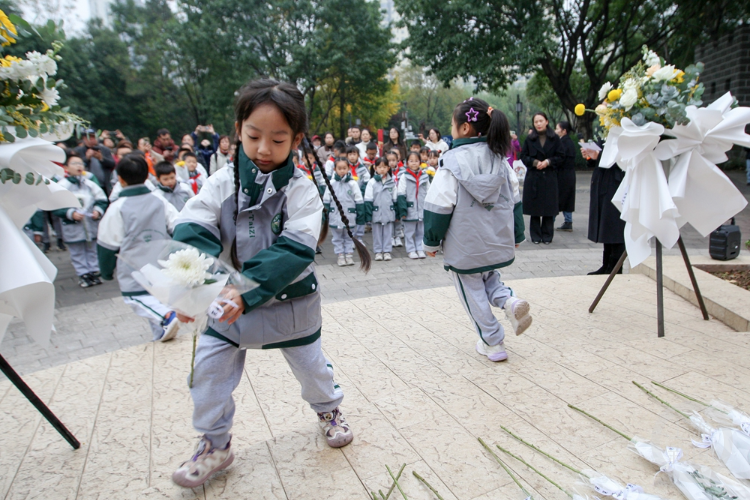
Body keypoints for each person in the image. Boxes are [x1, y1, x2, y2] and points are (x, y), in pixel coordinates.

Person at [170, 79, 362, 488]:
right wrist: (198, 283)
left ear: (296, 141)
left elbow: (296, 249)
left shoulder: (302, 191)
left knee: (312, 368)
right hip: (225, 299)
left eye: (277, 139)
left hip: (288, 302)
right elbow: (192, 225)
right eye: (254, 136)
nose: (263, 149)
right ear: (238, 128)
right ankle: (215, 442)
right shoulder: (221, 183)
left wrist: (245, 287)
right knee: (208, 372)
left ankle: (328, 409)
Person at [423, 98, 531, 362]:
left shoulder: (450, 163)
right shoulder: (501, 160)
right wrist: (517, 235)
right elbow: (515, 199)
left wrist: (431, 243)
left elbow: (438, 207)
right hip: (494, 242)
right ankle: (509, 302)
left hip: (465, 247)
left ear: (465, 129)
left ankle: (492, 341)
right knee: (490, 278)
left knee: (472, 292)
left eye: (452, 124)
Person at [97, 154, 181, 343]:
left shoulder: (118, 207)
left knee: (135, 298)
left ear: (120, 179)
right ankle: (160, 333)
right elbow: (178, 225)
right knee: (157, 297)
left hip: (133, 265)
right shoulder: (159, 200)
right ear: (147, 176)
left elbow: (107, 243)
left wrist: (106, 271)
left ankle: (166, 316)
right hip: (162, 260)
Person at [52, 153, 109, 287]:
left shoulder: (90, 183)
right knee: (77, 251)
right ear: (66, 167)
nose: (78, 166)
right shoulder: (62, 185)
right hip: (73, 225)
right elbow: (55, 206)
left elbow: (101, 199)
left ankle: (95, 272)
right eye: (74, 163)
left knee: (93, 248)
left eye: (80, 163)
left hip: (91, 223)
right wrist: (70, 213)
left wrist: (97, 211)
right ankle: (83, 273)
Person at [521, 112, 563, 244]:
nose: (538, 124)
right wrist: (534, 163)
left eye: (540, 121)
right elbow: (524, 156)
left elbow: (561, 156)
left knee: (548, 208)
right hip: (534, 177)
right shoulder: (530, 139)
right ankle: (535, 236)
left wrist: (548, 162)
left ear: (546, 121)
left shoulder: (554, 138)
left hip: (549, 177)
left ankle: (547, 236)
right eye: (536, 122)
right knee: (535, 208)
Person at [584, 144, 626, 275]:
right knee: (606, 223)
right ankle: (607, 264)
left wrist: (599, 155)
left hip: (616, 182)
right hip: (604, 179)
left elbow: (623, 157)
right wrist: (592, 157)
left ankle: (615, 268)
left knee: (615, 225)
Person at [325, 156, 365, 266]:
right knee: (337, 237)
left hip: (349, 215)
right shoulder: (331, 183)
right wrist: (326, 214)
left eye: (344, 168)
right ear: (335, 170)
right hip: (335, 215)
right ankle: (340, 255)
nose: (342, 170)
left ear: (348, 169)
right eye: (339, 168)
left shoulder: (353, 183)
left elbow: (358, 199)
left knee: (349, 236)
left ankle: (349, 255)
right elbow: (326, 199)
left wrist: (360, 214)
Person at [398, 151, 430, 259]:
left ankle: (420, 248)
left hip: (421, 208)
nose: (414, 163)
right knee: (409, 231)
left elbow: (429, 191)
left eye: (416, 161)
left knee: (421, 231)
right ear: (407, 162)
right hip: (409, 209)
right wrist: (403, 210)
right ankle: (411, 250)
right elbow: (401, 193)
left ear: (420, 162)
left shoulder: (425, 176)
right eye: (411, 161)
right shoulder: (404, 176)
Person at [364, 157, 397, 261]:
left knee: (388, 232)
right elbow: (368, 199)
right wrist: (368, 214)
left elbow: (395, 198)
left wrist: (396, 212)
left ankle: (387, 251)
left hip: (388, 211)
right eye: (379, 167)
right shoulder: (372, 182)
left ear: (388, 168)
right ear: (375, 168)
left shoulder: (391, 182)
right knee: (377, 233)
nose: (382, 169)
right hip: (376, 212)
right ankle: (378, 251)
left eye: (384, 167)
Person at [74, 128, 116, 196]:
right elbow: (75, 167)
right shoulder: (78, 150)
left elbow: (112, 164)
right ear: (84, 139)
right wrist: (86, 158)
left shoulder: (104, 149)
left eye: (93, 137)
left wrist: (101, 158)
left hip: (104, 185)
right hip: (85, 185)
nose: (91, 139)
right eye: (88, 137)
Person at [345, 145, 371, 243]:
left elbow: (366, 180)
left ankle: (359, 237)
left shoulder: (362, 168)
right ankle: (350, 238)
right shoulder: (345, 167)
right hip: (348, 197)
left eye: (354, 154)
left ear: (358, 155)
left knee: (360, 216)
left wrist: (362, 192)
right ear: (347, 156)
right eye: (350, 154)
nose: (352, 156)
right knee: (350, 216)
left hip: (360, 197)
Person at [555, 121, 577, 232]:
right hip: (569, 174)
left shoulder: (563, 143)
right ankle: (568, 221)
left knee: (558, 198)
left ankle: (551, 220)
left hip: (563, 175)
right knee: (567, 198)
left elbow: (560, 159)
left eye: (557, 128)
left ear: (564, 131)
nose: (556, 130)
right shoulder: (568, 142)